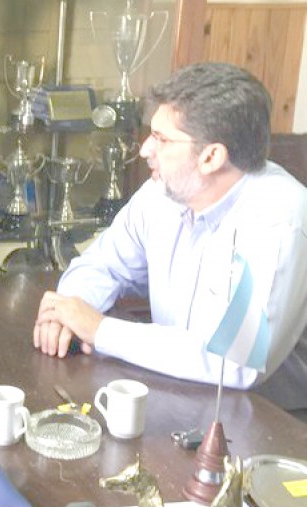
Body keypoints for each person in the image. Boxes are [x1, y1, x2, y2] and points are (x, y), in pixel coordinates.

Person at [33, 63, 307, 411]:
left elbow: (233, 361)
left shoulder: (278, 221)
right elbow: (102, 265)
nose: (145, 149)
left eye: (161, 139)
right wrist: (67, 312)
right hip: (174, 391)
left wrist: (100, 330)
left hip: (270, 418)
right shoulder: (163, 191)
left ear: (211, 156)